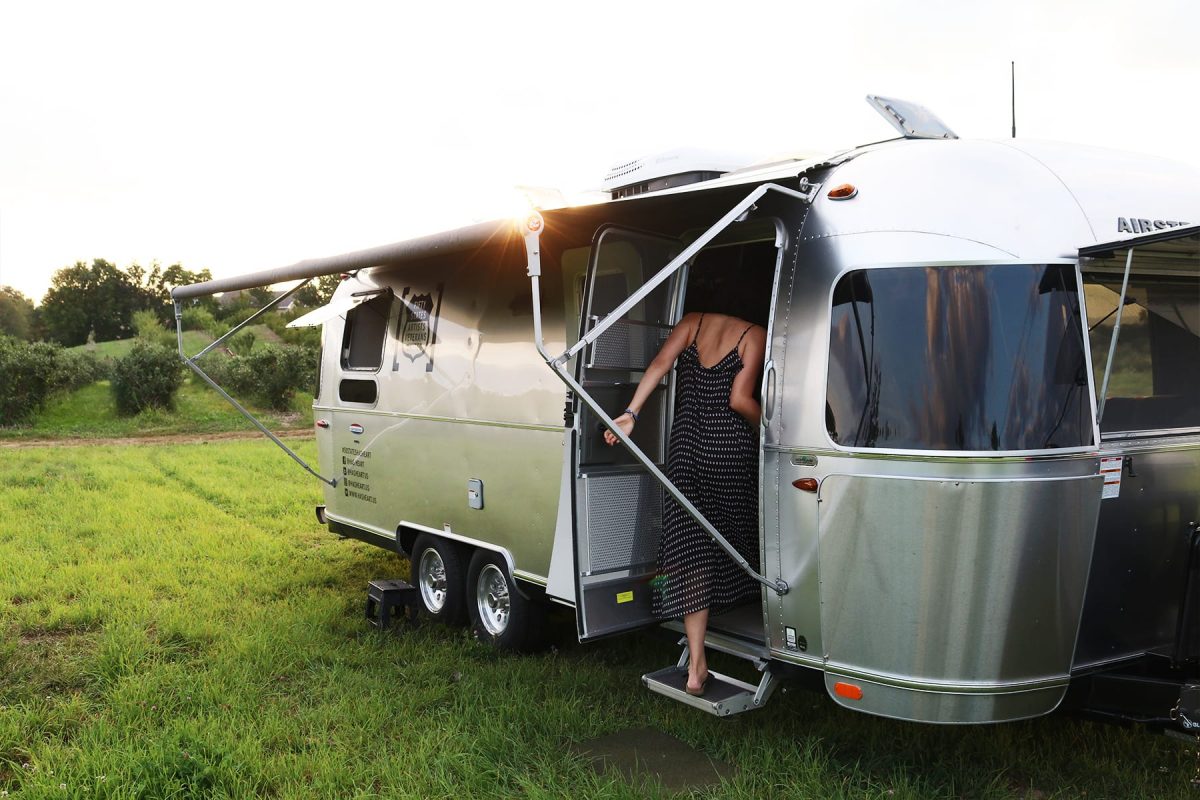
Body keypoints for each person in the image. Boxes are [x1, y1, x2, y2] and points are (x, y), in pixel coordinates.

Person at [604, 310, 765, 696]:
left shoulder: (693, 322)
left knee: (691, 549)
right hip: (729, 451)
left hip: (687, 452)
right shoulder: (753, 333)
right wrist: (773, 431)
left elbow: (660, 364)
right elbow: (740, 400)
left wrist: (631, 414)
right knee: (740, 539)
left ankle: (696, 665)